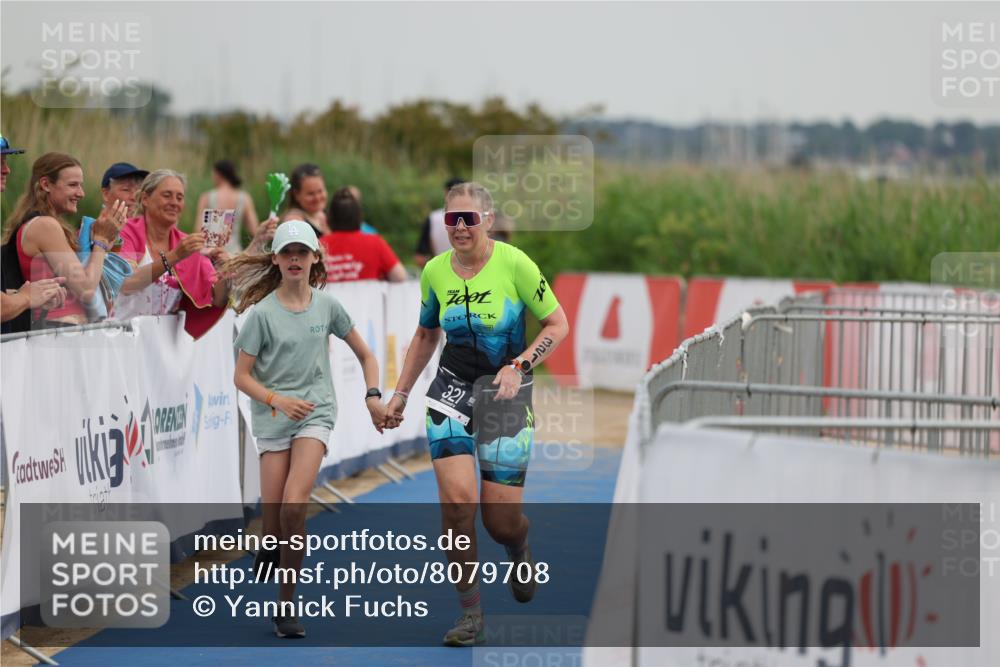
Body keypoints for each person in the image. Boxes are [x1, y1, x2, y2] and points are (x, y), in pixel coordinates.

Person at [385, 182, 569, 646]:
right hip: (450, 390)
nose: (461, 227)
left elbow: (557, 323)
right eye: (452, 220)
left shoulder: (515, 263)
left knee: (499, 521)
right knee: (457, 507)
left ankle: (518, 546)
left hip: (506, 392)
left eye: (469, 218)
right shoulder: (434, 271)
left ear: (487, 219)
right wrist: (401, 394)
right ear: (443, 223)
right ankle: (471, 615)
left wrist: (520, 364)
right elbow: (426, 335)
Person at [227, 220, 390, 639]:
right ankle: (271, 539)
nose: (295, 259)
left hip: (316, 414)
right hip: (272, 420)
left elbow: (367, 355)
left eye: (302, 252)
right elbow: (241, 377)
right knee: (274, 513)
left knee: (294, 506)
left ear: (316, 257)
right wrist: (276, 400)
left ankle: (286, 604)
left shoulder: (328, 307)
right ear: (276, 259)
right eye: (287, 252)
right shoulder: (260, 315)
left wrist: (372, 395)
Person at [1, 152, 127, 329]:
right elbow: (86, 289)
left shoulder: (39, 223)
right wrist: (101, 242)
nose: (81, 193)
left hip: (56, 330)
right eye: (73, 185)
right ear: (46, 184)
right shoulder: (45, 226)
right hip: (54, 331)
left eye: (81, 185)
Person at [115, 170, 235, 338]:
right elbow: (127, 283)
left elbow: (217, 300)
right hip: (125, 338)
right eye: (167, 195)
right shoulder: (126, 232)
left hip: (166, 346)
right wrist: (175, 256)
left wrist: (225, 272)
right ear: (145, 199)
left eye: (179, 198)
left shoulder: (187, 243)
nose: (174, 202)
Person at [0, 137, 68, 328]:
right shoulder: (43, 225)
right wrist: (26, 297)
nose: (7, 170)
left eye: (5, 162)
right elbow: (87, 290)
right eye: (0, 163)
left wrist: (33, 295)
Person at [319, 187, 407, 282]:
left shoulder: (319, 245)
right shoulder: (375, 243)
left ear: (330, 218)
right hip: (369, 296)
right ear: (359, 216)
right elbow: (400, 277)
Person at [196, 159, 260, 254]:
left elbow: (198, 231)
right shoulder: (244, 198)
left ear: (218, 174)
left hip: (211, 254)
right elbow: (255, 231)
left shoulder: (207, 197)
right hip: (234, 254)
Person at [414, 177, 464, 268]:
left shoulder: (433, 218)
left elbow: (419, 258)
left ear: (445, 193)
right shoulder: (478, 218)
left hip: (441, 270)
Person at [282, 163, 329, 237]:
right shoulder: (294, 223)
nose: (317, 198)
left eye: (320, 191)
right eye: (311, 194)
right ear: (296, 195)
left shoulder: (322, 214)